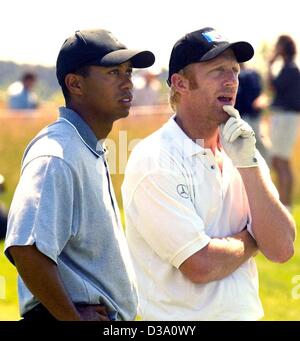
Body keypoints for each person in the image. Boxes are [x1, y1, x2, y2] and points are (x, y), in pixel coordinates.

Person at [122, 27, 296, 321]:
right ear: (180, 83)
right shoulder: (155, 159)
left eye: (234, 70)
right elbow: (200, 264)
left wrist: (249, 164)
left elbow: (281, 248)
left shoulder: (241, 147)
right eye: (217, 71)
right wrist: (252, 239)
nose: (231, 81)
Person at [4, 29, 155, 321]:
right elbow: (25, 247)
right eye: (113, 72)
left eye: (128, 71)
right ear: (75, 84)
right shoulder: (56, 154)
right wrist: (71, 318)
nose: (128, 82)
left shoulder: (85, 145)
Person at [267, 35, 300, 211]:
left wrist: (269, 65)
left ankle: (285, 205)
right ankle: (284, 204)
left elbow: (273, 86)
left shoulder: (291, 69)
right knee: (280, 161)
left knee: (281, 161)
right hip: (285, 118)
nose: (275, 47)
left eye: (278, 44)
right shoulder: (289, 68)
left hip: (286, 118)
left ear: (284, 47)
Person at [235, 63, 268, 160]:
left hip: (252, 116)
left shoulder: (252, 74)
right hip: (241, 117)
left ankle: (266, 168)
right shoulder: (234, 74)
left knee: (258, 143)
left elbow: (261, 94)